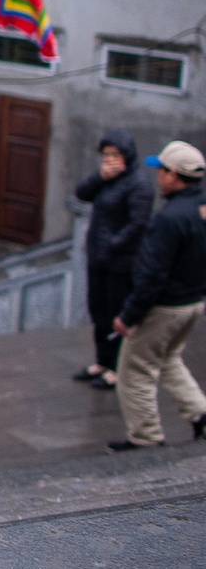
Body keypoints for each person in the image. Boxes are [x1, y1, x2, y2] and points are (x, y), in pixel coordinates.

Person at [107, 141, 206, 452]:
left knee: (134, 371)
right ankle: (201, 415)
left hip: (165, 306)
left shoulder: (169, 219)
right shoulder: (201, 210)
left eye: (162, 170)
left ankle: (146, 438)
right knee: (167, 360)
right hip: (193, 303)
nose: (158, 176)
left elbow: (152, 274)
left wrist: (128, 315)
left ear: (174, 175)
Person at [74, 129, 156, 389]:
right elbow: (82, 193)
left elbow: (138, 223)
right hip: (98, 258)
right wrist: (99, 176)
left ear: (127, 155)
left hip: (121, 263)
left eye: (115, 154)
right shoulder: (106, 179)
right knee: (98, 311)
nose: (109, 159)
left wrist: (112, 245)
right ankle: (102, 362)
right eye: (106, 155)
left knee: (116, 314)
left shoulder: (138, 184)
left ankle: (117, 368)